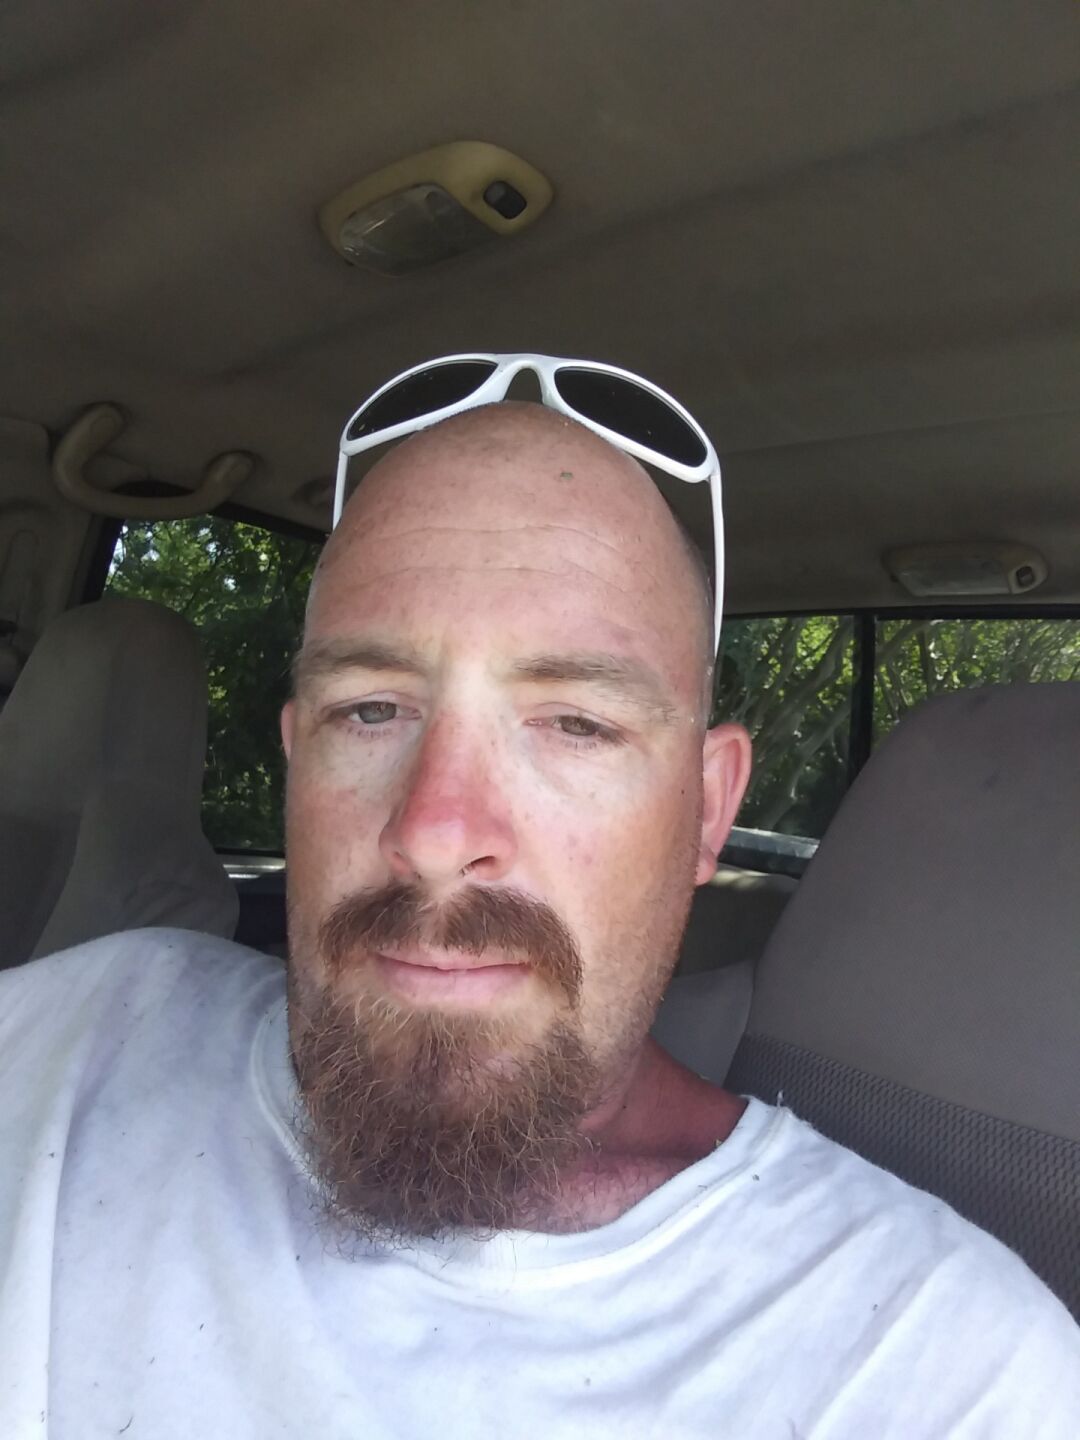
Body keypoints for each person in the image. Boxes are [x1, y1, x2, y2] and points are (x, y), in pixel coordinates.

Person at [1, 355, 1077, 1439]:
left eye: (575, 724)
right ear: (295, 761)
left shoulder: (946, 1375)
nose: (435, 832)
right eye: (371, 710)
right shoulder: (78, 1029)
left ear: (708, 812)